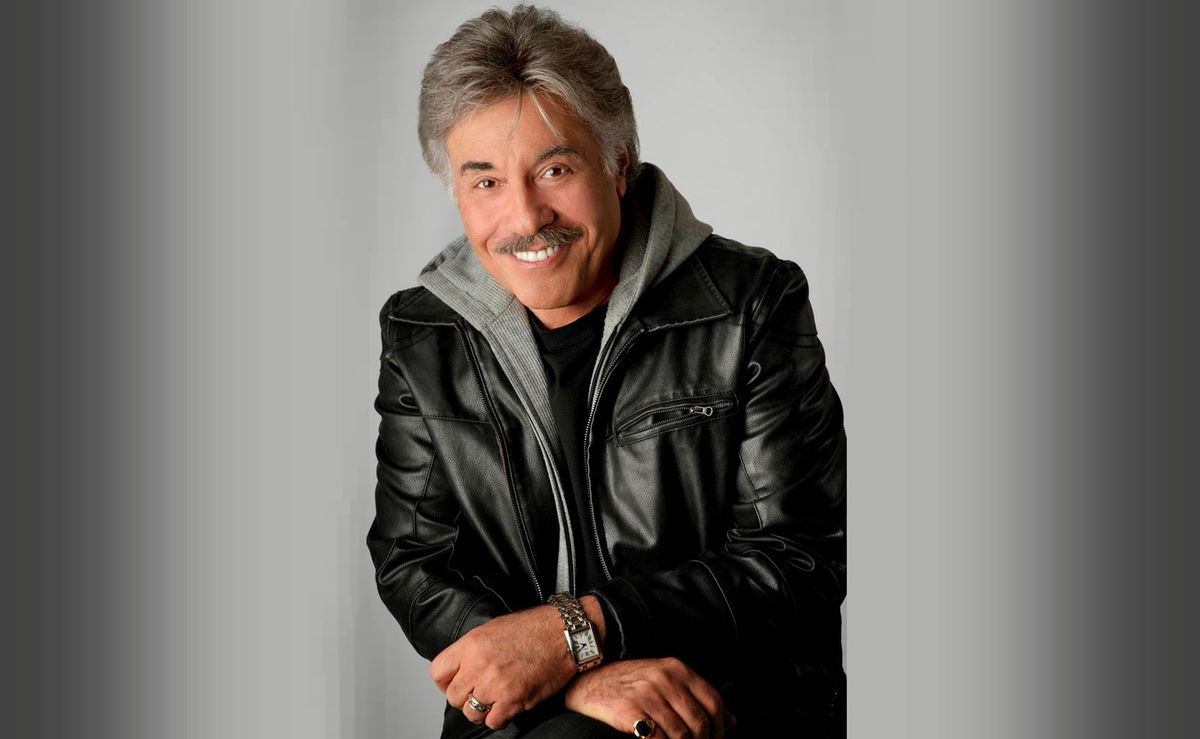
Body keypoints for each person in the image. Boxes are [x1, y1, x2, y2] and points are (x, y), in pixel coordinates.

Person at [367, 5, 846, 737]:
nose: (525, 217)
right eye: (486, 182)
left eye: (554, 170)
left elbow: (795, 560)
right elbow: (413, 561)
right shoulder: (423, 334)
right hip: (521, 720)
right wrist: (571, 678)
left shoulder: (749, 303)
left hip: (718, 708)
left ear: (619, 164)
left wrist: (577, 635)